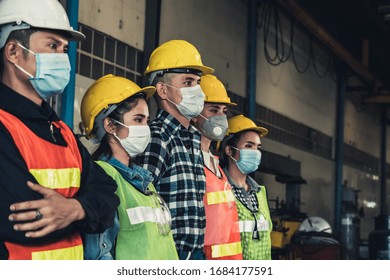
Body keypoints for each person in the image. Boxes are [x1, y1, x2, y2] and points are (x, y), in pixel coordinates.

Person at [0, 0, 119, 260]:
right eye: (52, 45)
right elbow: (22, 220)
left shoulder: (61, 131)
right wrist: (87, 210)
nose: (63, 58)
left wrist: (75, 209)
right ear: (12, 51)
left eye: (64, 49)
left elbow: (109, 196)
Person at [80, 74, 178, 260]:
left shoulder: (144, 181)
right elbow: (98, 255)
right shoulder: (103, 177)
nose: (145, 128)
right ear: (110, 125)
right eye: (138, 120)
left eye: (147, 121)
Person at [134, 39, 214, 260]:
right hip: (170, 254)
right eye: (188, 82)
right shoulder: (158, 137)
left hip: (195, 253)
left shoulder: (192, 139)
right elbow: (142, 203)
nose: (197, 90)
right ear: (163, 90)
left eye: (198, 82)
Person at [192, 74, 242, 260]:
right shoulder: (189, 162)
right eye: (213, 110)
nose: (221, 117)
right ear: (195, 114)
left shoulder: (216, 164)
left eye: (224, 111)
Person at [219, 114, 272, 260]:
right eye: (249, 146)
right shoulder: (220, 190)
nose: (255, 152)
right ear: (229, 150)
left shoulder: (260, 193)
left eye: (257, 147)